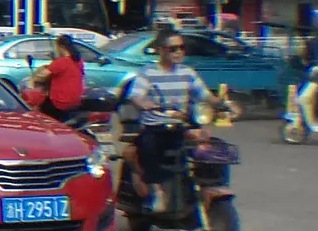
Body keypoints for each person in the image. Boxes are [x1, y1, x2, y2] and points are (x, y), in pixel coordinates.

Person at [115, 29, 212, 209]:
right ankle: (156, 190)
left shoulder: (188, 72)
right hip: (155, 127)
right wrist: (144, 103)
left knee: (206, 141)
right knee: (149, 145)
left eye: (182, 48)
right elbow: (135, 95)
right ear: (161, 50)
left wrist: (222, 103)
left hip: (179, 126)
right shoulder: (148, 73)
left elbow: (205, 95)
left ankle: (203, 186)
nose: (179, 52)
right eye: (173, 49)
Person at [35, 36, 94, 123]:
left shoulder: (61, 62)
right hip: (74, 100)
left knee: (38, 112)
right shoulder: (78, 61)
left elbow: (42, 76)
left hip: (59, 102)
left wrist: (35, 78)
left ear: (61, 47)